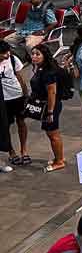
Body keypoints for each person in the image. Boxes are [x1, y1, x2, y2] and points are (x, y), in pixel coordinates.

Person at [29, 45, 65, 172]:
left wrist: (50, 112)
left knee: (53, 134)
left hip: (51, 107)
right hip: (47, 106)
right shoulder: (40, 69)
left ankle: (59, 161)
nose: (34, 56)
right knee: (52, 134)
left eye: (37, 54)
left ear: (44, 56)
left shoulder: (48, 72)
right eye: (33, 53)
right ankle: (58, 158)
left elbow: (52, 93)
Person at [0, 40, 28, 168]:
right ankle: (11, 152)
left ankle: (24, 150)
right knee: (6, 126)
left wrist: (25, 94)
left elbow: (20, 77)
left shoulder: (12, 59)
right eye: (3, 53)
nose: (7, 55)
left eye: (7, 52)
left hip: (17, 96)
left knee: (21, 122)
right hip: (3, 100)